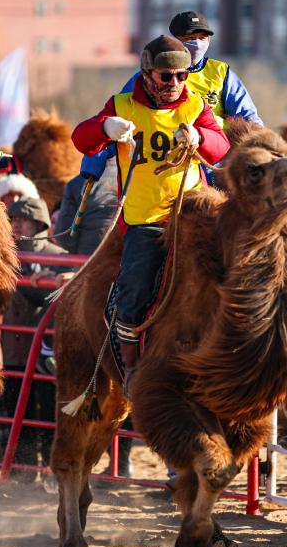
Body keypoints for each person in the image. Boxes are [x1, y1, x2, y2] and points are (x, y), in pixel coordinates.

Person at [72, 35, 228, 392]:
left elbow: (221, 147)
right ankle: (131, 366)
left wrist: (200, 138)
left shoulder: (196, 106)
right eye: (166, 76)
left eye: (182, 76)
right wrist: (105, 128)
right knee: (135, 288)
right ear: (146, 74)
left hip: (193, 216)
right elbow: (82, 139)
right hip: (144, 220)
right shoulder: (121, 105)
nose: (175, 83)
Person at [0, 196, 74, 471]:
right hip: (12, 348)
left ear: (39, 223)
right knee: (17, 408)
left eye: (24, 220)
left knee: (47, 411)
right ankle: (22, 471)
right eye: (14, 219)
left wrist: (44, 282)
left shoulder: (60, 257)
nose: (17, 225)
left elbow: (63, 297)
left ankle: (50, 469)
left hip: (44, 350)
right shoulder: (3, 253)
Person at [121, 11, 262, 128]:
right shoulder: (150, 75)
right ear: (173, 40)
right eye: (189, 38)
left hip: (216, 150)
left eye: (202, 37)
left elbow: (248, 118)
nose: (197, 43)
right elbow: (121, 115)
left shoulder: (221, 71)